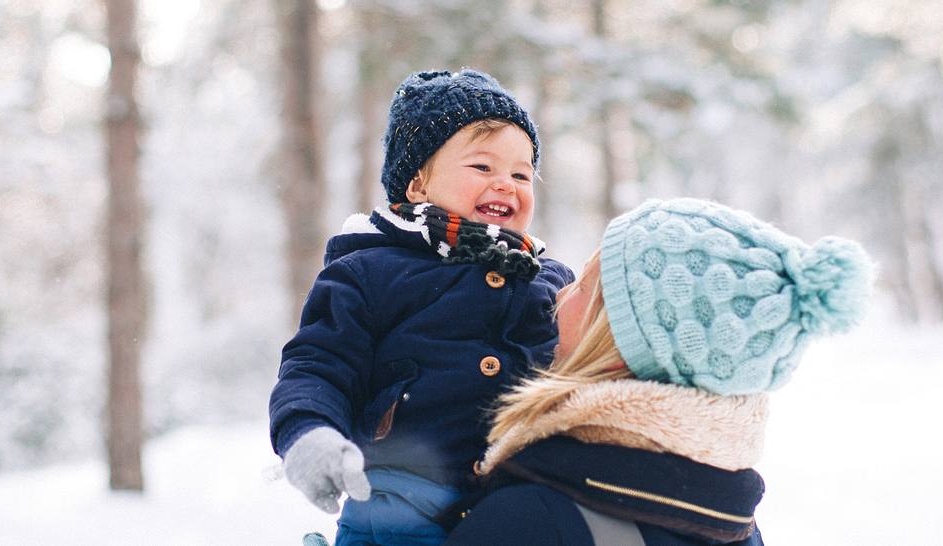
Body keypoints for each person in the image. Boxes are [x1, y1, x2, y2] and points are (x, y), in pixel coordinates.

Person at [442, 197, 874, 545]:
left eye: (586, 286)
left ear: (618, 346)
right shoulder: (729, 523)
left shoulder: (533, 521)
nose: (560, 293)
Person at [268, 69, 575, 546]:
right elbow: (319, 364)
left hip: (525, 507)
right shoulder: (370, 273)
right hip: (401, 507)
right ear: (416, 185)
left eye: (521, 173)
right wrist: (309, 432)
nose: (506, 185)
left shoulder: (550, 281)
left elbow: (593, 366)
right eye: (482, 168)